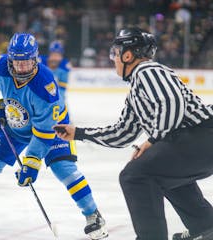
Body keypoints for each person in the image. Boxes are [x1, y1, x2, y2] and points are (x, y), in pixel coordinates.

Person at [54, 27, 213, 240]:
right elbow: (123, 133)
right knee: (161, 172)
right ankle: (206, 227)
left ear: (128, 54)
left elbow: (171, 102)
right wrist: (79, 133)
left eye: (115, 53)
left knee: (135, 176)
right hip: (197, 142)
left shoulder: (147, 71)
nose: (113, 59)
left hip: (203, 135)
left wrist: (154, 139)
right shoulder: (137, 89)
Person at [0, 33, 108, 240]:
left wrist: (31, 163)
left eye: (26, 62)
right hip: (16, 125)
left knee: (65, 170)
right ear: (10, 58)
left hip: (54, 128)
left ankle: (93, 215)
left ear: (35, 59)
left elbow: (44, 132)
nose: (22, 67)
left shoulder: (45, 86)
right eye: (17, 62)